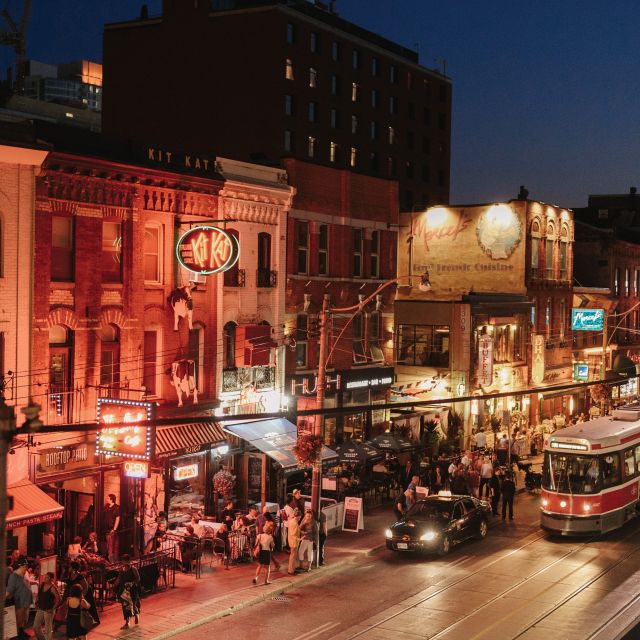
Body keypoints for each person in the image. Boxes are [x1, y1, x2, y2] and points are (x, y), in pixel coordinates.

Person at [6, 556, 32, 639]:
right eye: (26, 566)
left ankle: (21, 634)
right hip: (19, 604)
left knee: (23, 622)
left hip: (25, 604)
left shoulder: (22, 575)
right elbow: (8, 592)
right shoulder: (14, 576)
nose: (27, 568)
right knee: (18, 622)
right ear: (22, 566)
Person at [116, 555, 140, 630]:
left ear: (128, 561)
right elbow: (119, 579)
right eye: (122, 561)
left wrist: (132, 583)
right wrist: (115, 585)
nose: (123, 562)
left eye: (124, 561)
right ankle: (127, 623)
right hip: (124, 592)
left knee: (133, 603)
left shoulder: (133, 569)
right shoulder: (121, 570)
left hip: (132, 591)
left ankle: (136, 614)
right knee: (125, 606)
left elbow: (138, 578)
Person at [34, 571, 61, 640]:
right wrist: (36, 602)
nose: (45, 578)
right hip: (40, 608)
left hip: (48, 610)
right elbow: (39, 595)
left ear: (51, 579)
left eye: (47, 577)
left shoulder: (52, 588)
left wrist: (52, 609)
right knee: (36, 626)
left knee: (48, 629)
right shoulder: (41, 585)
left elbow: (58, 599)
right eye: (45, 576)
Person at [252, 521, 275, 585]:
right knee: (267, 567)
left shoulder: (259, 535)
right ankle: (266, 581)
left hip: (261, 552)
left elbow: (256, 544)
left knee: (259, 566)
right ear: (270, 531)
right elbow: (273, 545)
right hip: (267, 552)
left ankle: (256, 578)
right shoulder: (270, 537)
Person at [103, 494, 120, 562]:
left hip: (112, 529)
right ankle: (112, 561)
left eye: (108, 498)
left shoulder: (117, 507)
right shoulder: (107, 506)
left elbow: (117, 518)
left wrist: (114, 529)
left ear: (111, 499)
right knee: (109, 545)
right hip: (107, 529)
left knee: (112, 546)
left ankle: (113, 562)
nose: (107, 500)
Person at [287, 508, 301, 575]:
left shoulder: (292, 521)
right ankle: (291, 570)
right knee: (293, 556)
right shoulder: (295, 523)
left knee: (292, 556)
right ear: (297, 516)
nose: (300, 517)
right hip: (294, 542)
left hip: (292, 541)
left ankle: (292, 569)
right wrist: (300, 539)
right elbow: (293, 534)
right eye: (300, 516)